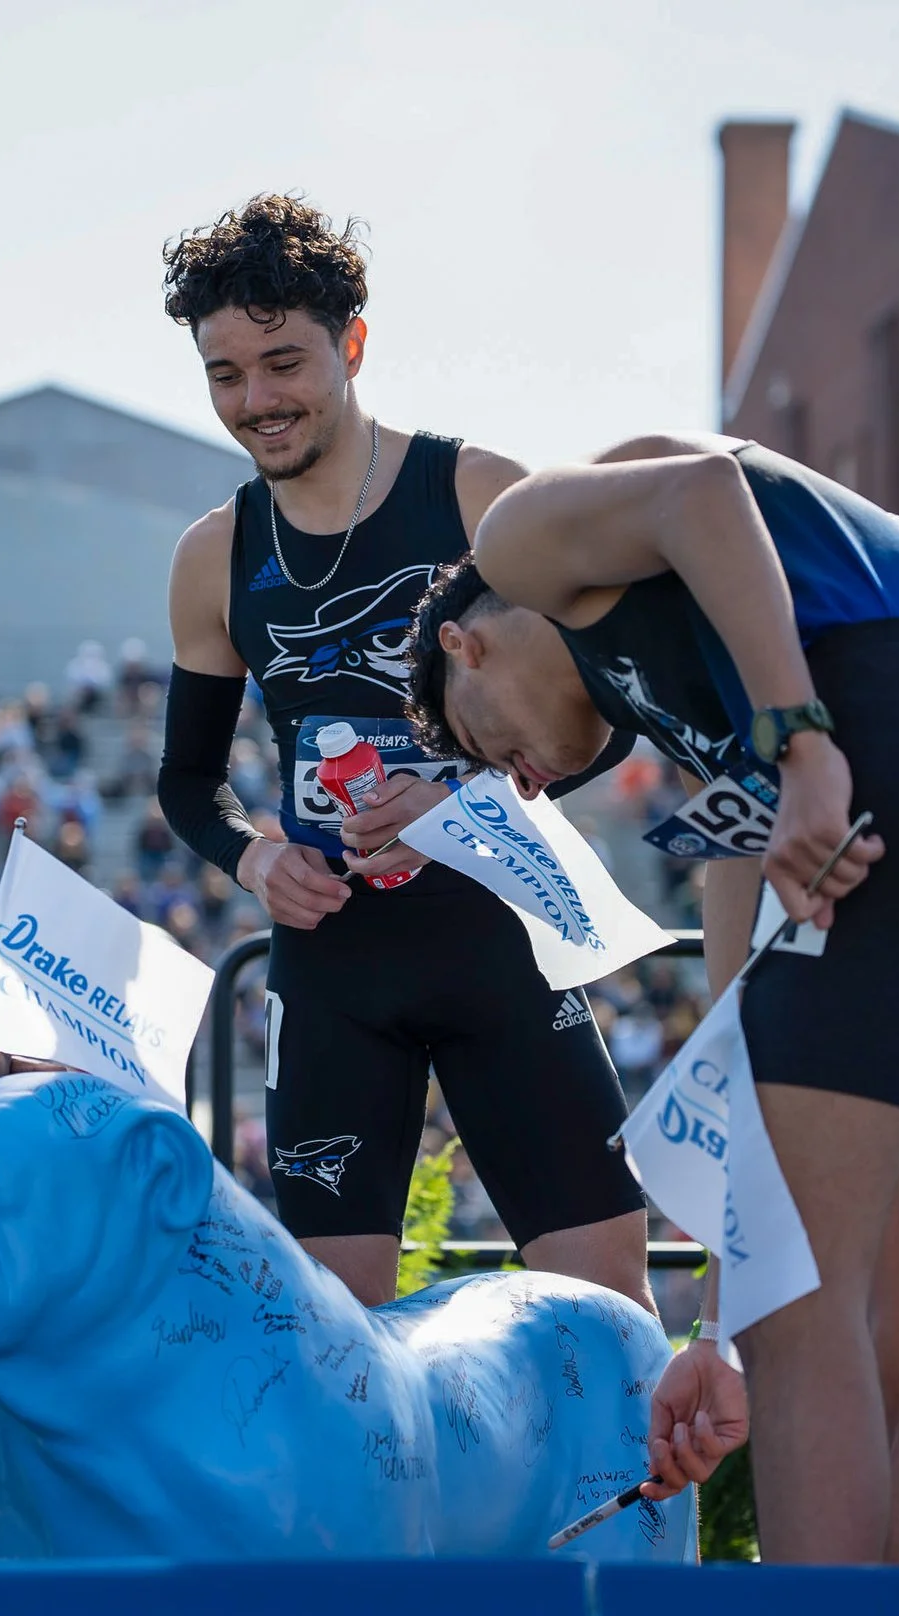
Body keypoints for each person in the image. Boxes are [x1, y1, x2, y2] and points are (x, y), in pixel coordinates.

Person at [404, 432, 899, 1562]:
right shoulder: (694, 672)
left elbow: (703, 484)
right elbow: (744, 1021)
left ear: (467, 643)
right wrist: (712, 1323)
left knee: (809, 1313)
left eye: (481, 745)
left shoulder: (520, 540)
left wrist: (801, 741)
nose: (523, 785)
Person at [154, 193, 651, 1314]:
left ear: (353, 345)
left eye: (283, 362)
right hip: (334, 974)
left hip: (502, 945)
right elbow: (187, 781)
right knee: (335, 1332)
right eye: (225, 375)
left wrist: (466, 799)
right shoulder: (212, 555)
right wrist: (253, 858)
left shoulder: (480, 493)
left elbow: (612, 709)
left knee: (608, 1299)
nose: (256, 400)